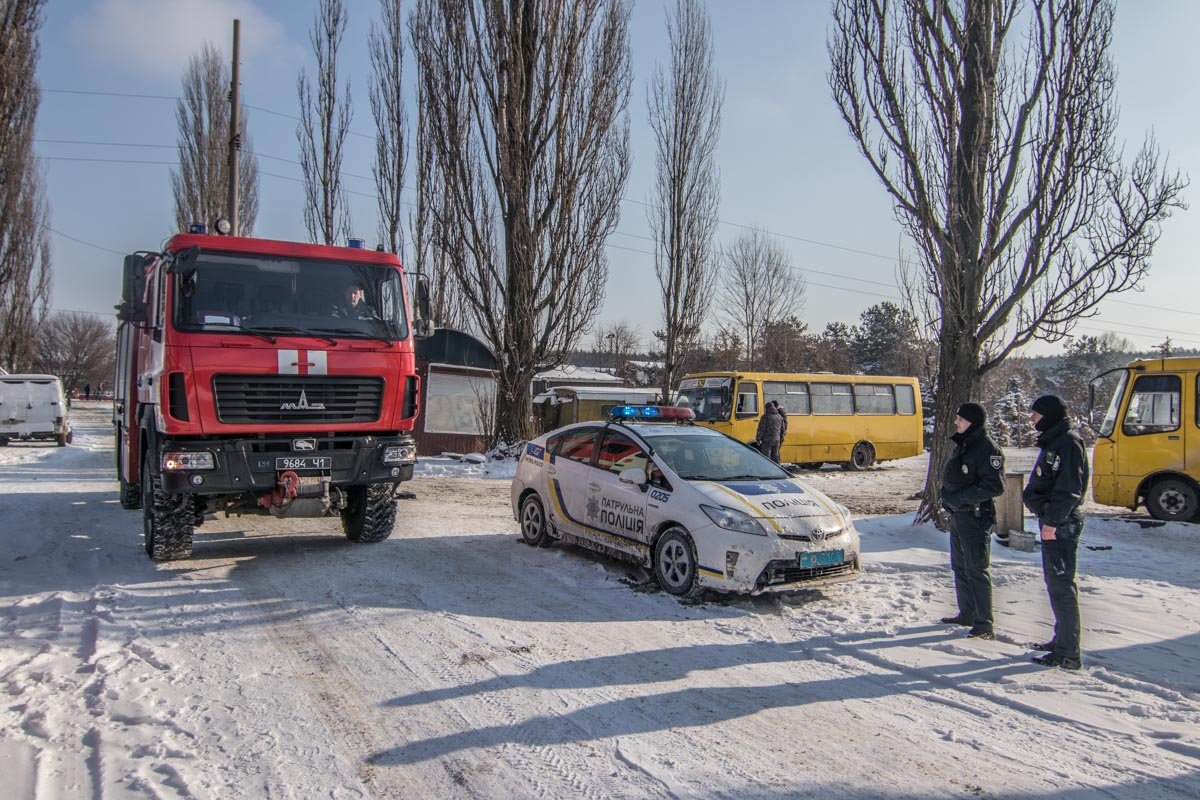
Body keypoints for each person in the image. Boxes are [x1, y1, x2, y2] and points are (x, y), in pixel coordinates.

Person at [1022, 394, 1089, 671]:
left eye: (1035, 414)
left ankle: (1068, 653)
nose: (1032, 419)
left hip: (1061, 523)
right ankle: (1060, 640)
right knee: (1055, 584)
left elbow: (1069, 489)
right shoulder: (1054, 440)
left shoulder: (1068, 443)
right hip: (1052, 519)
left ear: (1048, 415)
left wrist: (1052, 521)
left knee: (1062, 587)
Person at [938, 402, 1005, 640]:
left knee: (976, 569)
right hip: (960, 515)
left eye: (961, 419)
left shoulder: (988, 448)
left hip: (976, 516)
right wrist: (948, 499)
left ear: (973, 422)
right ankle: (967, 612)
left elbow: (994, 486)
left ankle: (984, 622)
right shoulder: (965, 444)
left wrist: (960, 498)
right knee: (960, 566)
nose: (956, 422)